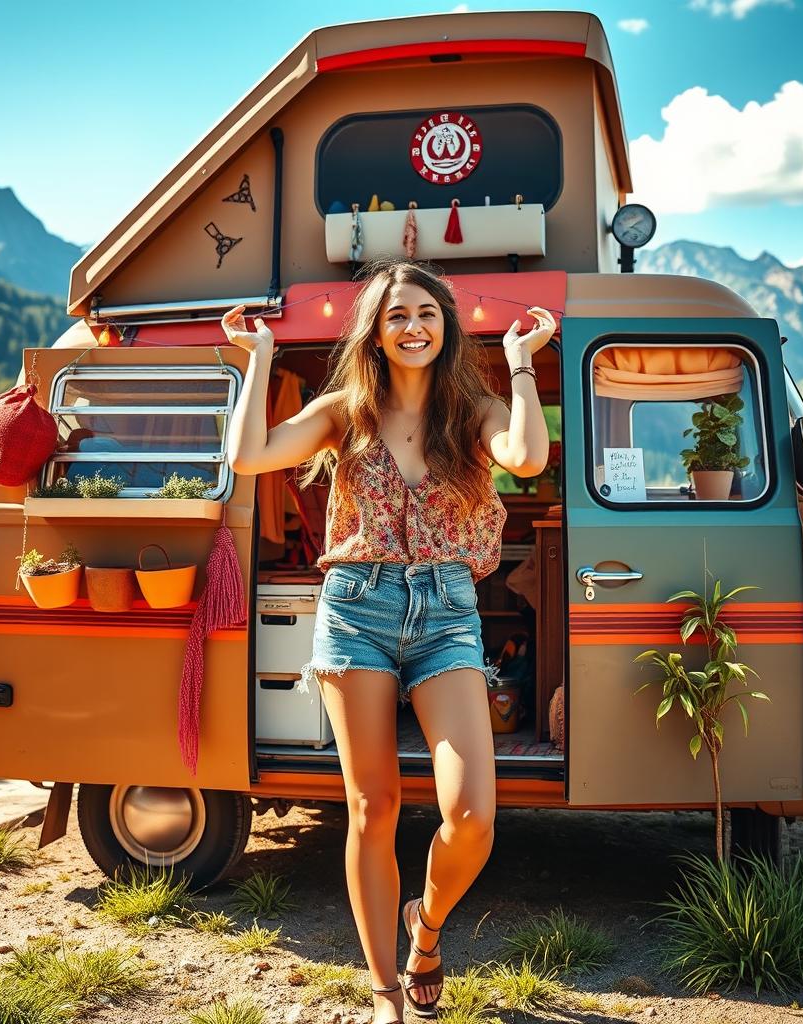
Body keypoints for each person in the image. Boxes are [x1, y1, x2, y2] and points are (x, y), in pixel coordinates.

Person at [223, 259, 554, 1024]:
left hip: (445, 613)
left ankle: (426, 929)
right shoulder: (345, 410)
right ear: (375, 329)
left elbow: (528, 458)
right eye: (397, 315)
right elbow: (248, 456)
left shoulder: (475, 408)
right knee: (372, 808)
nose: (413, 327)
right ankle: (384, 996)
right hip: (357, 609)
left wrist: (520, 367)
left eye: (427, 315)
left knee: (472, 813)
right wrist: (259, 358)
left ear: (446, 326)